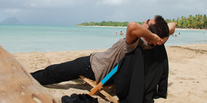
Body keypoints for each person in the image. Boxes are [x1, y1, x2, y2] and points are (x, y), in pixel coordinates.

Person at [31, 15, 176, 86]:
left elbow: (132, 26)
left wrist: (152, 36)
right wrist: (158, 39)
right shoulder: (151, 44)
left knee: (53, 72)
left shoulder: (136, 41)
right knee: (63, 69)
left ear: (149, 30)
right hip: (99, 65)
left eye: (147, 22)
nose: (144, 21)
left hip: (93, 66)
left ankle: (28, 78)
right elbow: (173, 25)